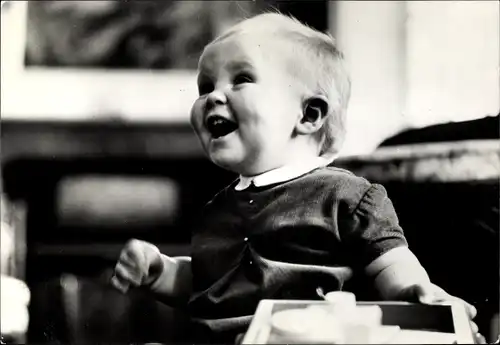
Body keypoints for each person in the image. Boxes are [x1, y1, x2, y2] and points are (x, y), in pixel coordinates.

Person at [111, 12, 482, 343]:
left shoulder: (347, 196)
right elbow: (210, 285)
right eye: (205, 87)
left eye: (241, 79)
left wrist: (417, 290)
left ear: (309, 115)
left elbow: (391, 265)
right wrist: (161, 271)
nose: (213, 97)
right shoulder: (216, 209)